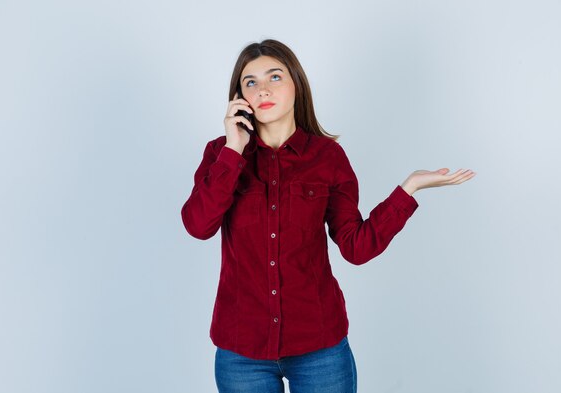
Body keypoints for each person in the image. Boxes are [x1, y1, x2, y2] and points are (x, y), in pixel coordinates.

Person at [181, 39, 475, 393]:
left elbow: (356, 247)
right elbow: (198, 226)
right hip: (242, 351)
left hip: (319, 347)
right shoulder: (221, 153)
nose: (263, 90)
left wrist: (408, 189)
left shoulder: (327, 158)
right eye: (250, 82)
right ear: (239, 98)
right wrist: (233, 149)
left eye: (275, 77)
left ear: (296, 85)